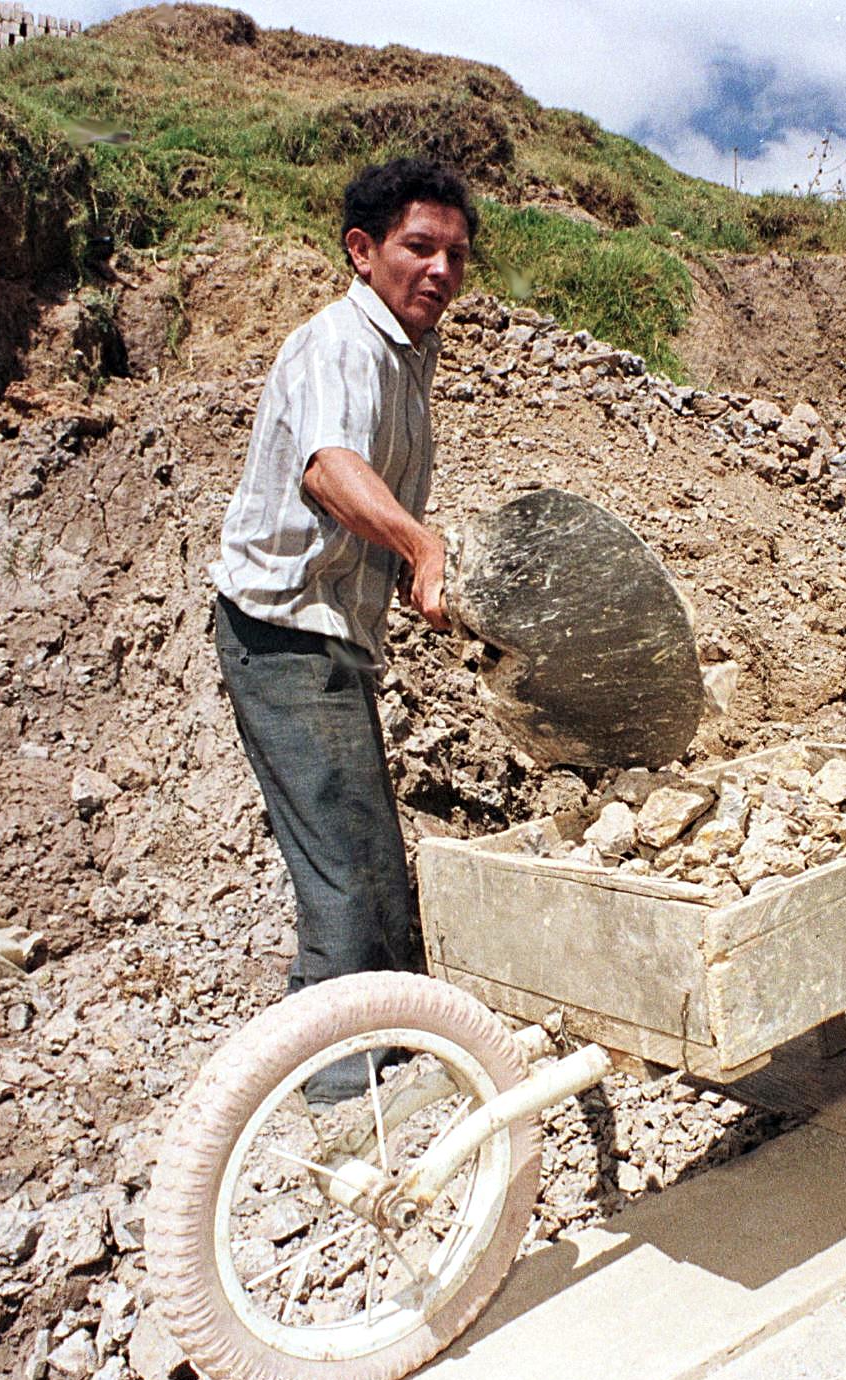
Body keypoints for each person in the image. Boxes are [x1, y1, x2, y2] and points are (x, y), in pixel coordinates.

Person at [209, 158, 474, 1098]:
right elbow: (329, 469)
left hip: (328, 636)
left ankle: (399, 1060)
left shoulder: (406, 351)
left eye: (455, 253)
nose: (440, 269)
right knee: (348, 884)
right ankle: (329, 1100)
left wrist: (410, 559)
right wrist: (417, 544)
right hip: (282, 635)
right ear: (363, 252)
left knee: (372, 866)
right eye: (418, 247)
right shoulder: (341, 344)